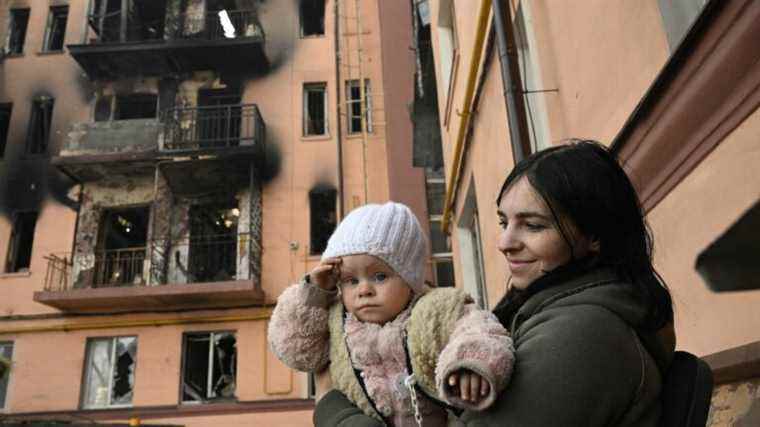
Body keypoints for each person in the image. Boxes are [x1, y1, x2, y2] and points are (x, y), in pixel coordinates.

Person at [313, 140, 675, 426]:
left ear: (594, 235)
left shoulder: (583, 334)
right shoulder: (559, 312)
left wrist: (331, 403)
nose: (504, 243)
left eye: (533, 226)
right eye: (505, 222)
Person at [268, 202, 514, 426]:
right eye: (351, 280)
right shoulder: (335, 321)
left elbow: (480, 329)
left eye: (380, 276)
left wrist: (469, 365)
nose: (364, 289)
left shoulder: (437, 309)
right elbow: (296, 350)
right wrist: (314, 294)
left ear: (410, 278)